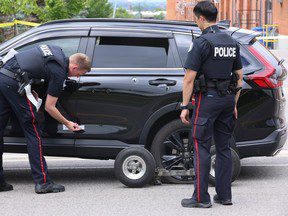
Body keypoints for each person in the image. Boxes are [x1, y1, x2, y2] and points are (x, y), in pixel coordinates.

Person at [0, 44, 91, 194]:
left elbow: (33, 64)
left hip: (3, 76)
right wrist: (67, 123)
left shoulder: (56, 51)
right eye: (80, 74)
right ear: (74, 67)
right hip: (14, 82)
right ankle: (42, 182)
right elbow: (50, 107)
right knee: (33, 130)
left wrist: (32, 89)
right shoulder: (59, 72)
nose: (78, 77)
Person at [180, 1, 243, 208]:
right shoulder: (231, 41)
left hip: (207, 101)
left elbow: (189, 78)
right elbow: (239, 77)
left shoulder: (201, 43)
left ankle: (200, 198)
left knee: (201, 147)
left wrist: (184, 106)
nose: (196, 22)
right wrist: (233, 103)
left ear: (201, 18)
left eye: (195, 19)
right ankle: (225, 196)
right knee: (224, 148)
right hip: (226, 100)